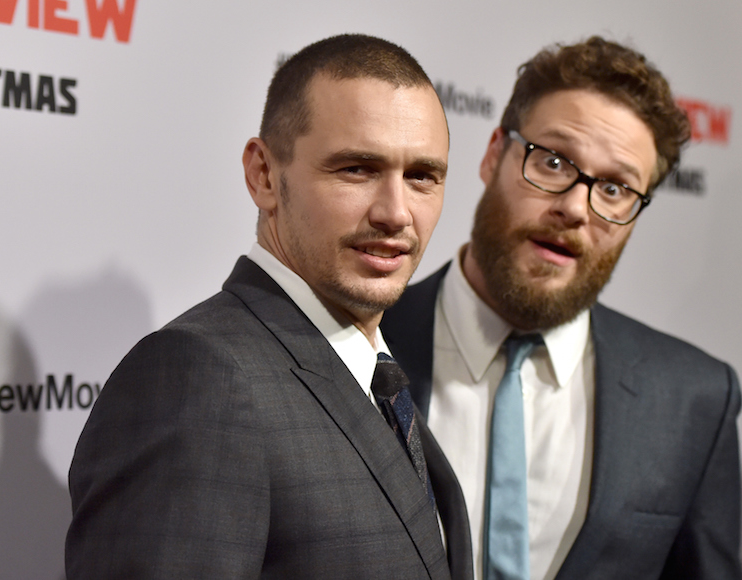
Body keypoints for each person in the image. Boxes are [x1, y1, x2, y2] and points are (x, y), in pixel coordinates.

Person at [65, 34, 473, 579]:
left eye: (422, 176)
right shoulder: (200, 378)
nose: (396, 212)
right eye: (356, 168)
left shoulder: (377, 375)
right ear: (264, 175)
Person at [382, 36, 742, 579]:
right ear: (492, 154)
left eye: (617, 188)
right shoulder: (352, 344)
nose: (576, 207)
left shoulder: (695, 399)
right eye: (552, 161)